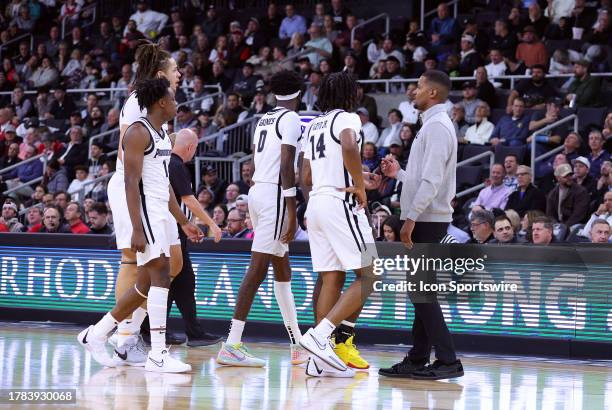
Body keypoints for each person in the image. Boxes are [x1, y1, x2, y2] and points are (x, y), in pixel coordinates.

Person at [77, 78, 202, 373]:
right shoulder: (136, 132)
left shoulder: (162, 135)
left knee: (147, 282)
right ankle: (158, 353)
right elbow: (130, 182)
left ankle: (96, 334)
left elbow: (166, 184)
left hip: (161, 209)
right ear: (160, 102)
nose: (176, 104)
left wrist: (183, 221)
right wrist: (136, 226)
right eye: (173, 100)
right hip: (144, 210)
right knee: (160, 273)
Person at [217, 70, 308, 367]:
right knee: (256, 270)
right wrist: (292, 209)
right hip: (276, 195)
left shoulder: (264, 119)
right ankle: (232, 344)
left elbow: (256, 161)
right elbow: (286, 162)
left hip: (258, 190)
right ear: (299, 92)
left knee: (282, 269)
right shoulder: (292, 118)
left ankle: (297, 344)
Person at [103, 42, 186, 362]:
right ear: (160, 73)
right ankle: (124, 335)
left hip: (155, 188)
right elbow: (128, 153)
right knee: (133, 259)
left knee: (173, 263)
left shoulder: (161, 106)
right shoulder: (138, 102)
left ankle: (128, 328)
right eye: (175, 68)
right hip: (134, 187)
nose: (179, 74)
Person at [379, 70, 463, 380]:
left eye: (419, 85)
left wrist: (410, 218)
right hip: (425, 217)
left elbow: (432, 181)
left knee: (422, 293)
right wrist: (399, 174)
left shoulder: (438, 127)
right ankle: (417, 358)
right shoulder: (431, 125)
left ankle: (447, 359)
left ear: (432, 94)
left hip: (426, 220)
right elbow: (422, 180)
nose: (414, 90)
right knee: (421, 293)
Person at [299, 72, 377, 378]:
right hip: (339, 203)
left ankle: (319, 360)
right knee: (370, 273)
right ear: (348, 94)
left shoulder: (314, 125)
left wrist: (354, 177)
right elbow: (347, 145)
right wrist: (359, 184)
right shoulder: (348, 118)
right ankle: (321, 336)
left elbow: (305, 176)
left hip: (316, 203)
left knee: (332, 278)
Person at [161, 129, 223, 346]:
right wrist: (212, 224)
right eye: (195, 149)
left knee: (183, 281)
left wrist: (187, 226)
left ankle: (192, 332)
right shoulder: (176, 164)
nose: (194, 153)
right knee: (167, 282)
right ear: (189, 147)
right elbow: (188, 200)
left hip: (174, 230)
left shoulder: (166, 162)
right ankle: (153, 330)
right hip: (168, 233)